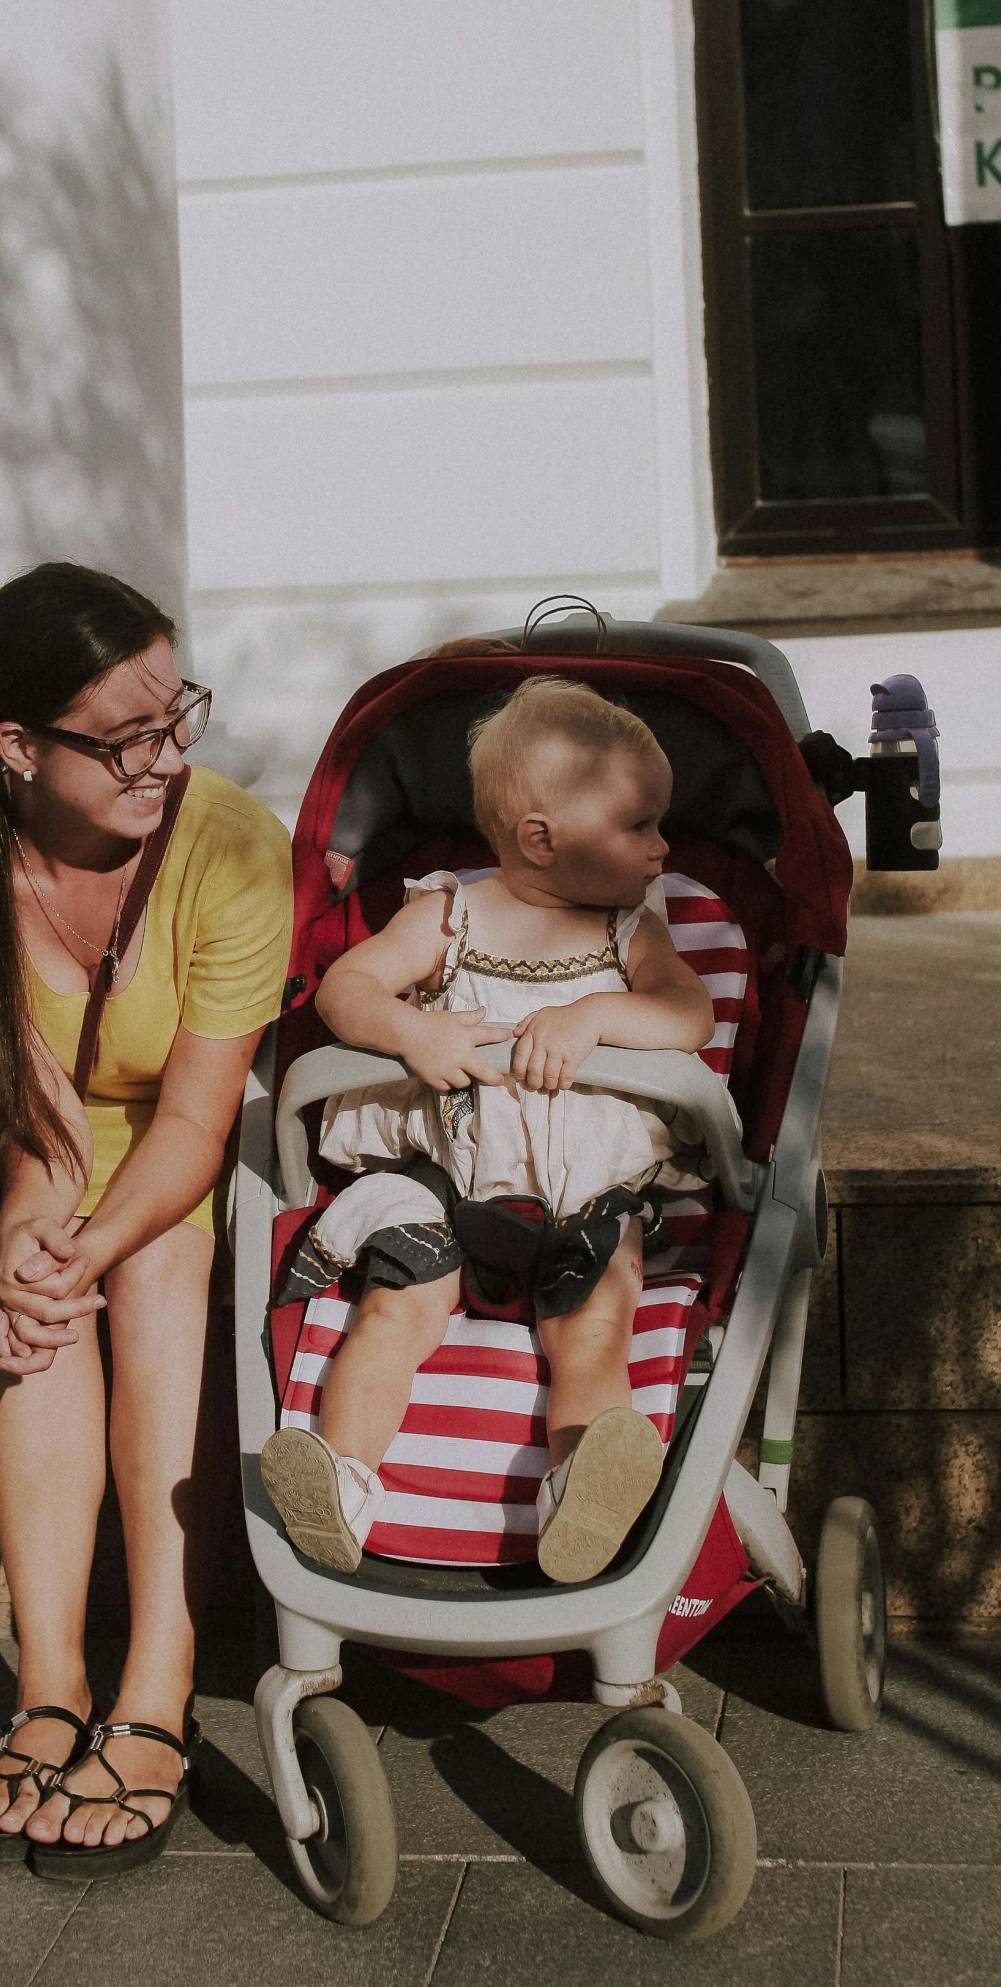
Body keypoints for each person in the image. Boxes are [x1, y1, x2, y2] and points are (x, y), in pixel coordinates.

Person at [0, 563, 290, 1878]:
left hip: (193, 1154)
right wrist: (48, 1256)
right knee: (22, 1262)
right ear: (15, 744)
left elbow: (194, 1121)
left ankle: (155, 1683)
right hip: (52, 1148)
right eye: (125, 738)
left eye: (179, 718)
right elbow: (33, 1123)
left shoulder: (229, 848)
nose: (164, 757)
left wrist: (102, 1245)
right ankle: (48, 1683)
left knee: (159, 1262)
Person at [261, 678, 718, 1585]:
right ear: (538, 838)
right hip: (442, 1174)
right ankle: (342, 1482)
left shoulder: (630, 934)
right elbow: (346, 989)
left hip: (581, 1189)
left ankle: (580, 1488)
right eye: (640, 825)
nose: (663, 846)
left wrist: (596, 1015)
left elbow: (689, 1017)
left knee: (591, 1328)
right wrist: (409, 1030)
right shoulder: (445, 914)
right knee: (392, 1312)